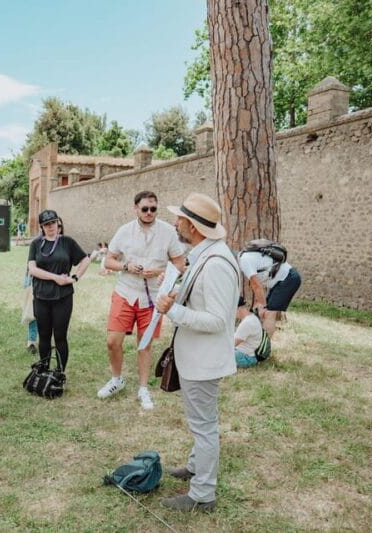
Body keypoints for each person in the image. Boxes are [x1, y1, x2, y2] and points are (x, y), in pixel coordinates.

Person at [155, 192, 240, 513]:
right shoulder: (206, 253)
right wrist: (174, 287)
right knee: (198, 422)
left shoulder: (216, 263)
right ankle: (194, 465)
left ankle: (202, 494)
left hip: (204, 361)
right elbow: (199, 297)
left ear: (191, 226)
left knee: (204, 426)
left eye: (179, 219)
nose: (175, 223)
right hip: (195, 357)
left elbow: (218, 320)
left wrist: (172, 311)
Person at [97, 191, 186, 410]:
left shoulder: (167, 232)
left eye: (153, 209)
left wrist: (157, 271)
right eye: (144, 209)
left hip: (153, 296)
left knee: (144, 344)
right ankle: (116, 380)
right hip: (125, 292)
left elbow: (180, 262)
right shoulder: (124, 231)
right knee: (112, 341)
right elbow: (108, 261)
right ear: (135, 208)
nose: (149, 213)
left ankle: (143, 388)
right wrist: (126, 266)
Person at [27, 209, 89, 374]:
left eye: (53, 222)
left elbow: (85, 259)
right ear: (42, 226)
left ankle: (60, 372)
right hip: (41, 296)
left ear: (58, 223)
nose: (50, 226)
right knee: (44, 336)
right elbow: (32, 269)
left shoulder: (67, 242)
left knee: (60, 336)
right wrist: (55, 277)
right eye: (46, 224)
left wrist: (75, 277)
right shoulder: (36, 244)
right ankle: (44, 369)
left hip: (63, 297)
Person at [238, 244, 301, 337]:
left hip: (288, 279)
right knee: (266, 312)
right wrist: (259, 302)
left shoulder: (244, 261)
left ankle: (264, 347)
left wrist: (262, 305)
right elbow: (254, 283)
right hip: (280, 281)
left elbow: (257, 285)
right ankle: (261, 341)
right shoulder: (245, 256)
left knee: (269, 313)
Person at [234, 297, 264, 369]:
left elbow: (233, 343)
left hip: (245, 357)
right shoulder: (252, 317)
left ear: (239, 309)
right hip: (247, 355)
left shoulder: (247, 323)